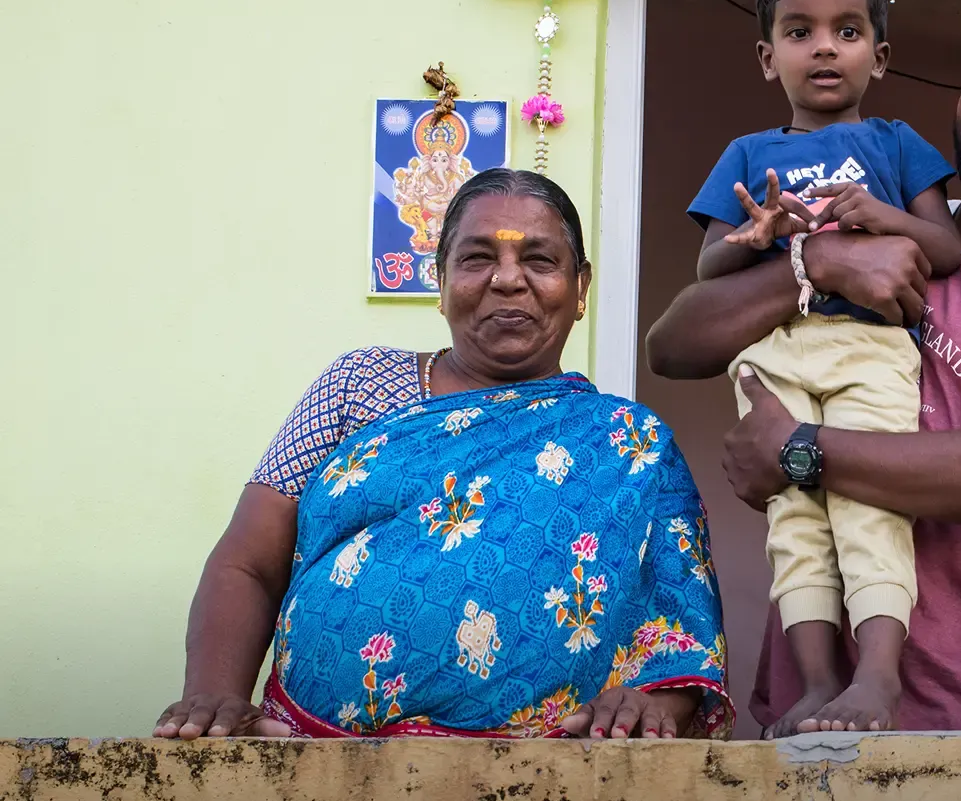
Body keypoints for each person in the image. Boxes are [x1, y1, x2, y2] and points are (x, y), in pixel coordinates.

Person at [647, 0, 961, 736]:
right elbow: (676, 345)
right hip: (803, 705)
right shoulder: (882, 221)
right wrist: (818, 265)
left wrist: (800, 452)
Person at [155, 169, 730, 741]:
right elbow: (248, 562)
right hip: (303, 751)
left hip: (544, 778)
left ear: (580, 289)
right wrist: (216, 693)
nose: (508, 280)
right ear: (441, 281)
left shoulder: (627, 442)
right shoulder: (357, 385)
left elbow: (678, 618)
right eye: (478, 258)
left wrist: (658, 700)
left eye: (539, 260)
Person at [686, 0, 961, 735]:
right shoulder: (747, 156)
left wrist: (883, 216)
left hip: (871, 349)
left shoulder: (898, 144)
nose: (824, 47)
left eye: (846, 31)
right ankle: (816, 682)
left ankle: (878, 678)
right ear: (769, 58)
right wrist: (757, 232)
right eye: (801, 32)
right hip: (774, 349)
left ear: (879, 56)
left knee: (869, 511)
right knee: (797, 522)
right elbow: (708, 269)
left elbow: (944, 250)